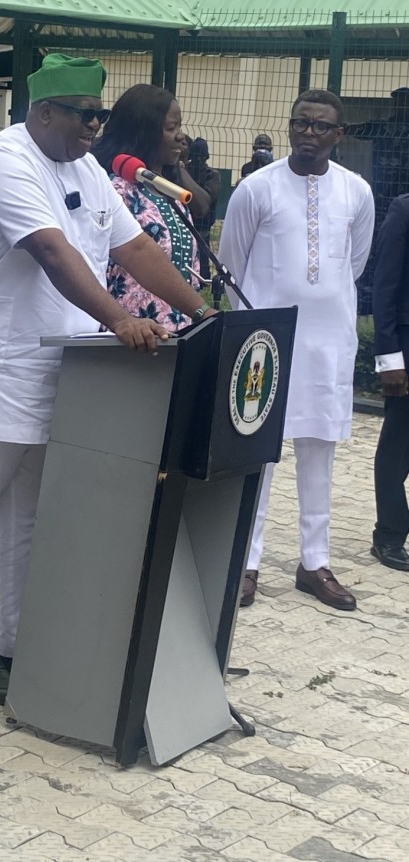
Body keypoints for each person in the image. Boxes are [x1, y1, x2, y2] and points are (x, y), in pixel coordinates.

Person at [0, 54, 216, 705]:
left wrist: (204, 313)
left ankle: (18, 644)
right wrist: (120, 319)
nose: (95, 126)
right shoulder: (4, 161)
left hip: (64, 376)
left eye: (101, 115)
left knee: (32, 519)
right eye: (84, 115)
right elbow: (53, 250)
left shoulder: (86, 168)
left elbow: (136, 249)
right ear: (44, 112)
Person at [219, 89, 374, 611]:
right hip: (267, 343)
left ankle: (315, 562)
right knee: (257, 452)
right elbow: (231, 268)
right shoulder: (256, 189)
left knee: (318, 451)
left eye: (320, 126)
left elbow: (353, 266)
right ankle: (245, 562)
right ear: (289, 128)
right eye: (301, 123)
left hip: (327, 342)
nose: (308, 133)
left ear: (339, 135)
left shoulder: (356, 191)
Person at [93, 84, 202, 331]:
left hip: (179, 335)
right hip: (130, 339)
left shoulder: (172, 196)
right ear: (143, 131)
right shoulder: (116, 193)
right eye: (170, 128)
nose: (181, 136)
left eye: (180, 126)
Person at [371, 193, 409, 571]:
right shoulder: (404, 209)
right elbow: (384, 289)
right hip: (406, 350)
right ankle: (390, 534)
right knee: (398, 446)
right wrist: (389, 358)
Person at [346, 87, 409, 312]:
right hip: (383, 199)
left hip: (395, 201)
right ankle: (368, 299)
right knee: (376, 247)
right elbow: (355, 129)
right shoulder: (383, 127)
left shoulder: (383, 127)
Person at [186, 137, 220, 282]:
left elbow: (208, 198)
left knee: (203, 256)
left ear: (206, 157)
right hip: (188, 220)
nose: (198, 160)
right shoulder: (184, 171)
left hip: (203, 222)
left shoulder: (211, 175)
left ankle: (203, 280)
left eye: (200, 157)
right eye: (195, 156)